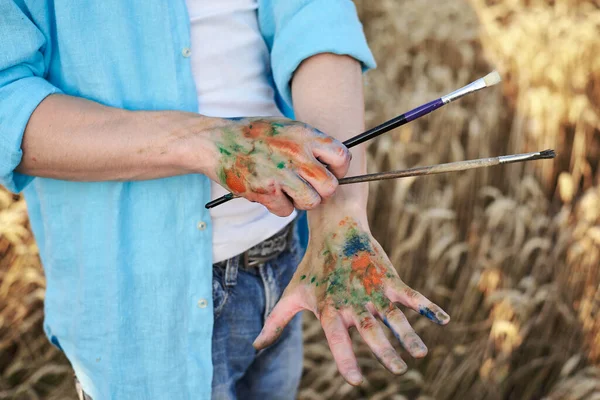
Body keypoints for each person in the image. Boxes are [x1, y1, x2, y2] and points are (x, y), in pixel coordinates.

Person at [0, 0, 450, 399]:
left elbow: (314, 16)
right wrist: (209, 141)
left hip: (286, 262)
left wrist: (341, 214)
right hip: (142, 298)